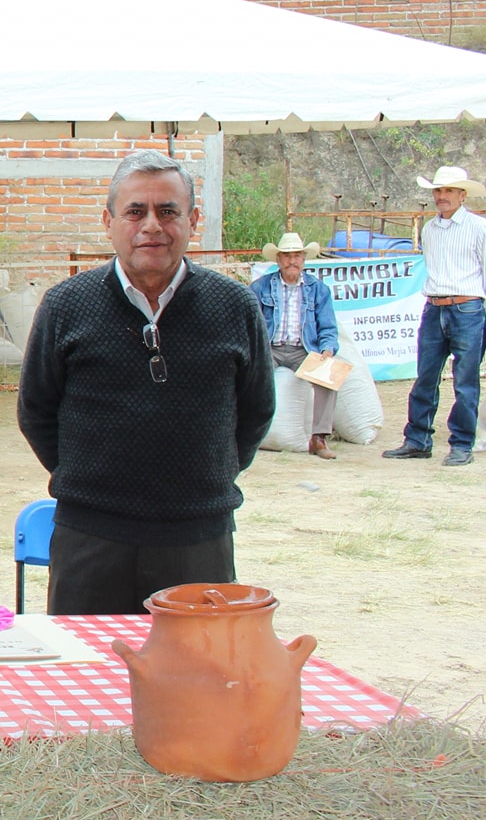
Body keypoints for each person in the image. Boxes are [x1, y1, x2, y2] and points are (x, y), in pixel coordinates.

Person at [17, 150, 274, 615]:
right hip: (90, 538)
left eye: (168, 211)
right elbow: (36, 411)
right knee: (86, 673)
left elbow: (256, 410)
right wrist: (90, 481)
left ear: (193, 220)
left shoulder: (235, 306)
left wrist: (206, 478)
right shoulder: (65, 305)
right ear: (109, 221)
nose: (152, 225)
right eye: (135, 211)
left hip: (198, 537)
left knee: (195, 673)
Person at [385, 165, 486, 467]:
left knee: (465, 381)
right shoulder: (430, 229)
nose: (442, 196)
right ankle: (417, 439)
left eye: (448, 190)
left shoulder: (480, 227)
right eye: (438, 191)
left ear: (462, 195)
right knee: (426, 376)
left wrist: (480, 309)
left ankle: (462, 443)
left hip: (466, 307)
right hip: (436, 305)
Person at [250, 231, 341, 459]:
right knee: (247, 378)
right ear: (278, 260)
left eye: (297, 256)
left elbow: (328, 327)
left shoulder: (318, 289)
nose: (293, 261)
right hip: (270, 348)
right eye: (287, 256)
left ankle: (319, 438)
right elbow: (249, 325)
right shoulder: (260, 287)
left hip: (304, 350)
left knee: (329, 378)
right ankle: (246, 434)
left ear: (304, 259)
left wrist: (327, 351)